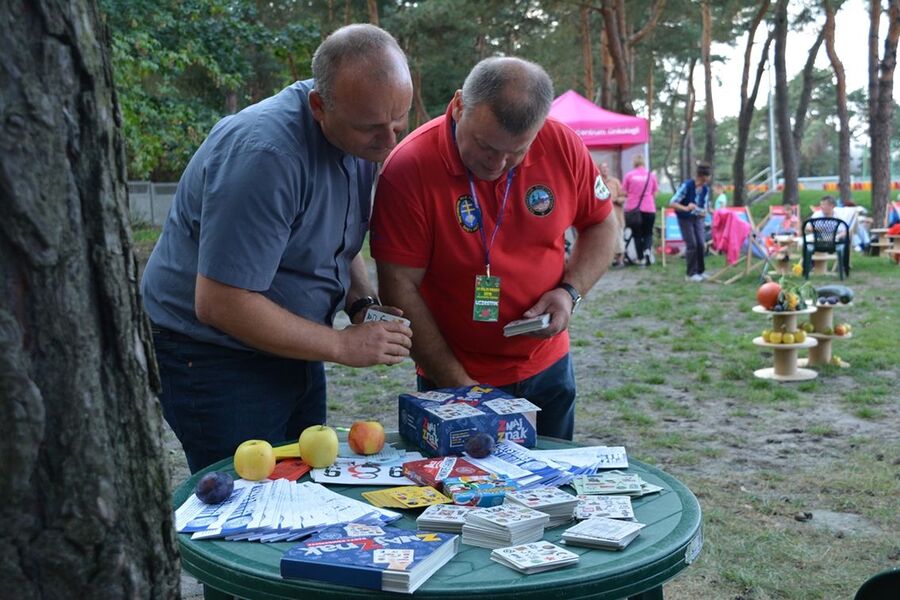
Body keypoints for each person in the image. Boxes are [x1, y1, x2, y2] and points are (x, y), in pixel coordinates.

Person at [141, 24, 415, 473]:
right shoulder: (264, 155)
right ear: (319, 106)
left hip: (294, 342)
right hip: (213, 356)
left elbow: (339, 245)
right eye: (372, 128)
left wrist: (361, 303)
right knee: (248, 506)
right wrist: (341, 346)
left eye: (399, 120)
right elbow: (220, 302)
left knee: (302, 487)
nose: (389, 142)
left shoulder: (361, 129)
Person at [370, 57, 617, 441]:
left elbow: (602, 223)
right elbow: (398, 284)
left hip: (547, 369)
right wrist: (459, 384)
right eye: (486, 146)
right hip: (452, 376)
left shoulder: (563, 145)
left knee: (549, 492)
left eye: (516, 152)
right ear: (457, 106)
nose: (498, 164)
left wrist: (570, 293)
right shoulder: (410, 168)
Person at [670, 162, 712, 282]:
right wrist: (686, 208)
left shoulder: (705, 189)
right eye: (708, 176)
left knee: (701, 243)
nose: (709, 178)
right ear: (702, 176)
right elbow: (672, 202)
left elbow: (704, 207)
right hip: (684, 218)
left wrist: (703, 212)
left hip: (697, 218)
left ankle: (700, 271)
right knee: (692, 244)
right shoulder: (687, 186)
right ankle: (690, 274)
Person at [622, 154, 659, 266]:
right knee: (648, 233)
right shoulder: (650, 175)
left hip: (634, 210)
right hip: (649, 209)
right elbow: (655, 192)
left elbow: (624, 192)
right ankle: (647, 251)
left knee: (637, 234)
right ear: (643, 163)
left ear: (634, 163)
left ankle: (640, 257)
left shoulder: (629, 175)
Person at [601, 162, 627, 268]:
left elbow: (623, 196)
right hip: (603, 216)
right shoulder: (598, 182)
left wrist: (618, 200)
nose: (605, 170)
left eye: (606, 168)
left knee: (618, 238)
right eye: (603, 168)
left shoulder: (615, 181)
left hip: (616, 214)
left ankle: (620, 260)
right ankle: (607, 261)